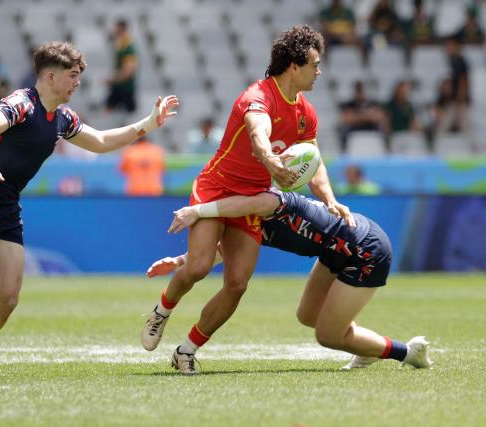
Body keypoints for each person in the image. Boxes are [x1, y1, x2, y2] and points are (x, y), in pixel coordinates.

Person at [0, 41, 179, 378]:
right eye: (73, 76)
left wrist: (146, 123)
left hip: (7, 207)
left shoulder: (60, 118)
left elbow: (100, 142)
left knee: (7, 298)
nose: (78, 83)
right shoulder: (21, 104)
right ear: (51, 76)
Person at [140, 25, 354, 375]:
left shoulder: (306, 112)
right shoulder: (257, 97)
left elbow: (314, 162)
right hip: (217, 187)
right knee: (197, 266)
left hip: (252, 197)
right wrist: (271, 162)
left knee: (237, 284)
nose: (319, 71)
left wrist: (330, 200)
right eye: (315, 64)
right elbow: (258, 134)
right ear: (293, 66)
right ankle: (161, 312)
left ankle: (186, 350)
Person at [149, 189, 432, 372]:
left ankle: (407, 352)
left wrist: (198, 211)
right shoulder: (246, 217)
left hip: (365, 249)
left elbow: (261, 203)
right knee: (307, 315)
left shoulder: (268, 202)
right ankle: (364, 348)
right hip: (335, 249)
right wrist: (180, 261)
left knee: (328, 336)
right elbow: (225, 251)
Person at [338, 80, 389, 152]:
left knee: (383, 129)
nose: (360, 94)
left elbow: (378, 116)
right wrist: (367, 116)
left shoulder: (372, 103)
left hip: (371, 128)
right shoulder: (349, 104)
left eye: (361, 91)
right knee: (344, 131)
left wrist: (356, 116)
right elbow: (346, 119)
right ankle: (344, 153)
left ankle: (387, 151)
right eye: (358, 91)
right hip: (354, 129)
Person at [105, 19, 138, 113]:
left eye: (117, 28)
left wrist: (113, 79)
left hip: (125, 88)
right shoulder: (121, 45)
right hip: (120, 87)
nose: (114, 31)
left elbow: (130, 69)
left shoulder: (127, 47)